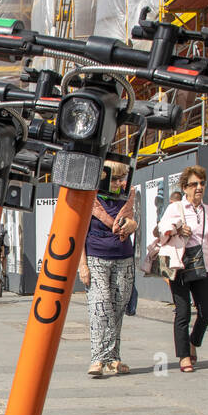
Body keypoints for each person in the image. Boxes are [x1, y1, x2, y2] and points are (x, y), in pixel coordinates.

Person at [157, 165, 208, 372]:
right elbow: (161, 229)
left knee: (207, 311)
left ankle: (193, 341)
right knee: (183, 312)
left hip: (202, 267)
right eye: (194, 184)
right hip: (180, 265)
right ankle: (184, 356)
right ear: (185, 187)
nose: (199, 188)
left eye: (202, 184)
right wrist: (178, 228)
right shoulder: (175, 208)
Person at [77, 161, 138, 376]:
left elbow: (131, 221)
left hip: (123, 257)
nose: (120, 183)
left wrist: (132, 225)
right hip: (96, 256)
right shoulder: (90, 198)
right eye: (115, 179)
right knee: (100, 306)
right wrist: (82, 265)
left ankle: (113, 358)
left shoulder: (127, 196)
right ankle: (97, 358)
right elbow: (80, 233)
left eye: (122, 178)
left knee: (117, 307)